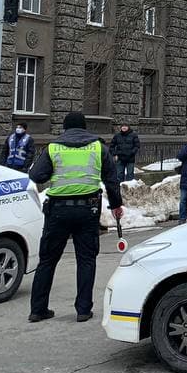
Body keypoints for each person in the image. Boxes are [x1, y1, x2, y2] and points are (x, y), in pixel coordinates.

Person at [28, 111, 123, 323]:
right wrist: (116, 205)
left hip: (57, 211)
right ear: (84, 127)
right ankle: (83, 310)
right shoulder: (98, 147)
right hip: (87, 210)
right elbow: (112, 179)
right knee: (86, 259)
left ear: (65, 127)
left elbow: (36, 175)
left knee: (47, 260)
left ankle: (38, 309)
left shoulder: (53, 147)